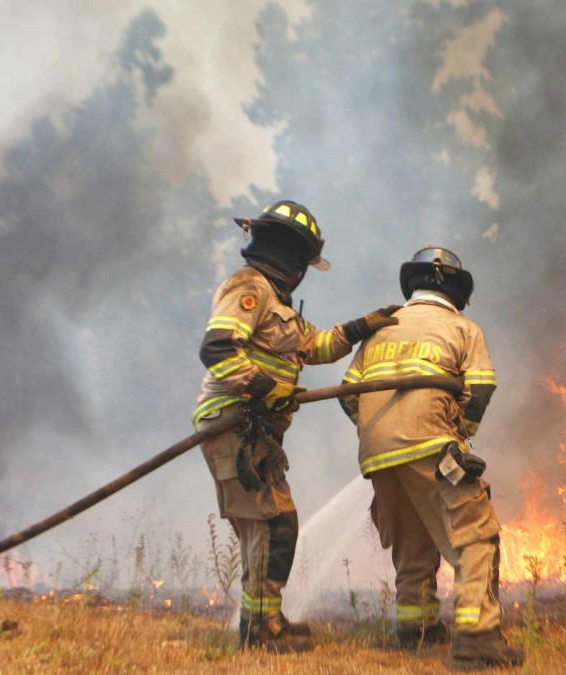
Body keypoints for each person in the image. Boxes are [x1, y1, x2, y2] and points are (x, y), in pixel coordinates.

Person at [193, 200, 400, 651]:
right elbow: (218, 348)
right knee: (274, 524)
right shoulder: (248, 288)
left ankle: (263, 621)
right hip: (234, 423)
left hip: (255, 429)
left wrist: (363, 326)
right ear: (292, 257)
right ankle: (261, 630)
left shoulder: (277, 303)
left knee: (269, 526)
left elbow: (318, 345)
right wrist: (264, 387)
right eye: (305, 262)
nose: (304, 271)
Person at [339, 246, 523, 667]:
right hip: (432, 444)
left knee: (413, 539)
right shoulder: (463, 328)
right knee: (475, 534)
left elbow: (349, 396)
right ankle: (477, 639)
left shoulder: (380, 331)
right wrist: (461, 435)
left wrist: (379, 432)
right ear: (456, 291)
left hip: (377, 455)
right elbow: (480, 390)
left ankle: (415, 629)